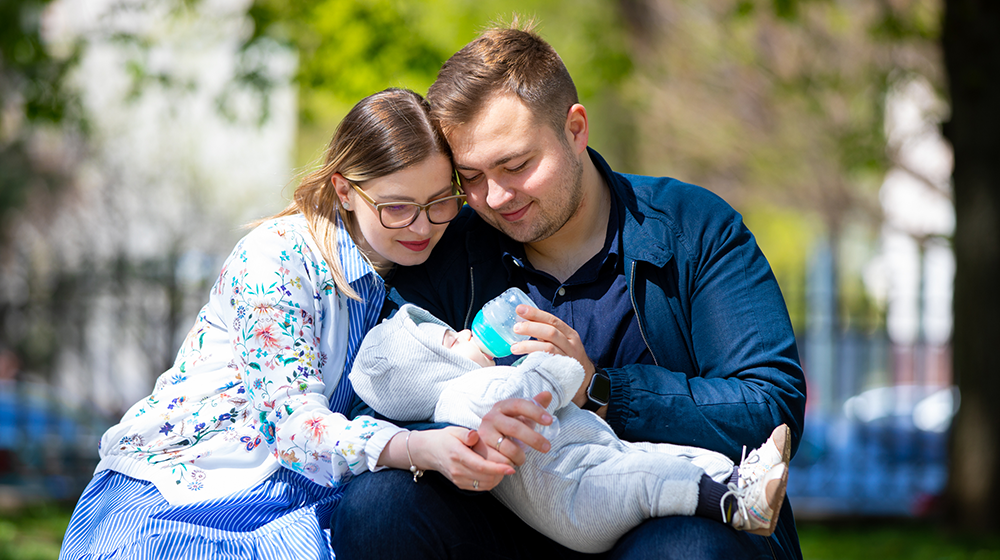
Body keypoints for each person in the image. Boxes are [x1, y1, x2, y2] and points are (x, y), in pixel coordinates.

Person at [331, 20, 808, 560]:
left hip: (672, 517)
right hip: (505, 521)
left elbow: (772, 409)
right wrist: (461, 426)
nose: (495, 197)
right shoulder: (448, 248)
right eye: (471, 178)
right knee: (378, 505)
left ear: (575, 129)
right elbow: (380, 387)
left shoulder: (692, 228)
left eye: (516, 165)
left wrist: (599, 391)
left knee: (683, 549)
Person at [58, 88, 520, 560]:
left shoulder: (419, 266)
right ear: (345, 190)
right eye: (397, 207)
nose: (423, 227)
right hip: (186, 491)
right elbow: (292, 426)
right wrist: (417, 448)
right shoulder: (276, 258)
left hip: (301, 497)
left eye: (441, 202)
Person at [349, 303, 791, 553]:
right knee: (655, 480)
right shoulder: (471, 394)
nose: (466, 332)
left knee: (661, 458)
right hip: (581, 493)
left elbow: (774, 395)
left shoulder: (471, 389)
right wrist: (563, 364)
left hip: (595, 466)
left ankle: (744, 480)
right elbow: (544, 382)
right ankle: (735, 503)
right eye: (451, 340)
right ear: (428, 370)